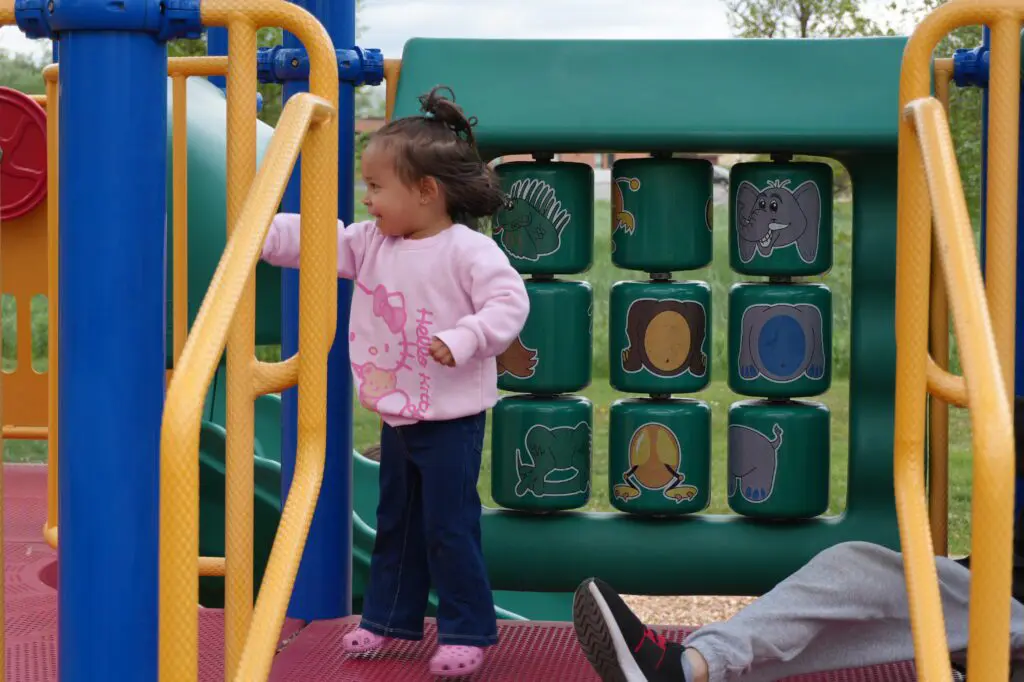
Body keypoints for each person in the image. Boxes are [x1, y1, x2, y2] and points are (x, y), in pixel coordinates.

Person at [260, 85, 529, 677]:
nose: (368, 198)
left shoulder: (468, 251)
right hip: (398, 414)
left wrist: (464, 340)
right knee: (396, 524)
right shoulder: (372, 243)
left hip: (452, 419)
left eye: (378, 187)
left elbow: (510, 304)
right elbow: (317, 239)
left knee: (448, 527)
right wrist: (256, 228)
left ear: (427, 192)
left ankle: (466, 630)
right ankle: (387, 621)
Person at [572, 540, 1024, 682]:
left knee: (855, 570)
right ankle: (690, 670)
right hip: (999, 591)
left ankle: (688, 669)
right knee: (854, 593)